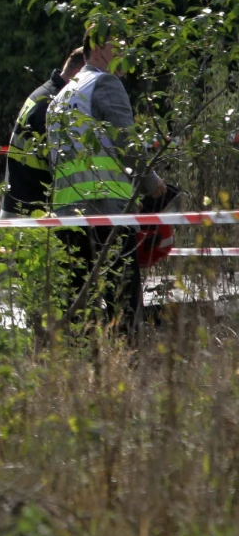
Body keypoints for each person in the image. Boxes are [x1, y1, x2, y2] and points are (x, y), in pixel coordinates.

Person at [46, 28, 165, 333]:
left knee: (77, 301)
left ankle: (81, 372)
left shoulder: (60, 97)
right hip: (107, 209)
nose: (125, 54)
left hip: (68, 215)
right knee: (122, 298)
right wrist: (153, 184)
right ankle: (128, 366)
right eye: (120, 47)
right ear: (99, 49)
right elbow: (128, 147)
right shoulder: (105, 84)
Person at [0, 47, 85, 218]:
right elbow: (62, 168)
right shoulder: (54, 105)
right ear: (77, 75)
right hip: (30, 217)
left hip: (17, 209)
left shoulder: (44, 94)